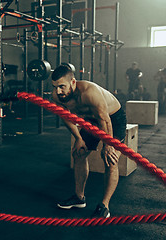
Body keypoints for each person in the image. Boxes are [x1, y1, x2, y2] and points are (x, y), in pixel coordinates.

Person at [51, 65, 127, 218]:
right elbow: (66, 117)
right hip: (91, 121)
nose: (58, 91)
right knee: (78, 154)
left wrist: (108, 145)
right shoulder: (57, 96)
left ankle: (104, 205)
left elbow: (105, 120)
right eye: (55, 87)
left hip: (112, 119)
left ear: (73, 82)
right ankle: (79, 198)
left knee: (110, 160)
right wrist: (78, 138)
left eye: (62, 86)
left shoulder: (90, 93)